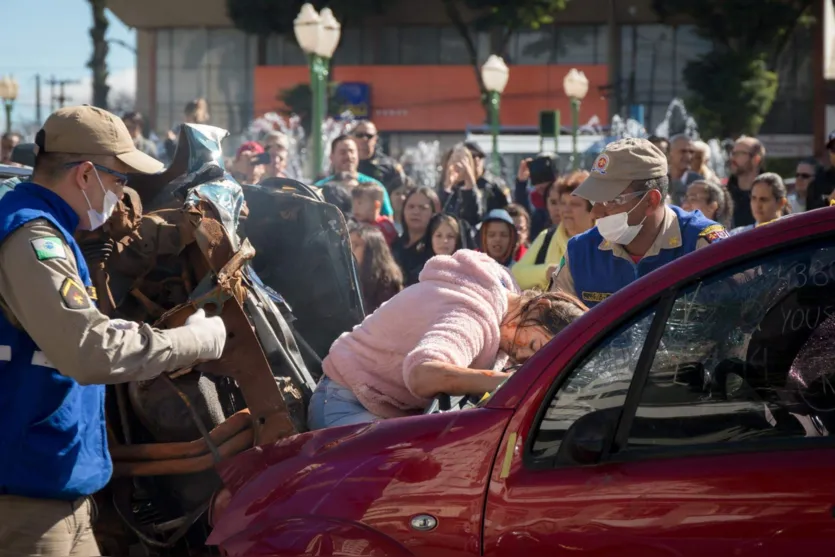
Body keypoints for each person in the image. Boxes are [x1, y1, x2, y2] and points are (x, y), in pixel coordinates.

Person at [0, 106, 227, 556]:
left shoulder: (48, 230)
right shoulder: (32, 238)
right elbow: (90, 350)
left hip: (57, 491)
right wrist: (195, 341)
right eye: (120, 180)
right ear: (86, 174)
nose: (122, 194)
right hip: (27, 500)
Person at [307, 249, 588, 429]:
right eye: (534, 345)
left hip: (372, 405)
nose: (522, 355)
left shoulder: (499, 290)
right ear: (540, 307)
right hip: (345, 403)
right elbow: (423, 374)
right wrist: (507, 381)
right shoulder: (473, 316)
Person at [550, 138, 728, 308]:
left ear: (650, 200)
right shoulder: (580, 252)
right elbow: (553, 327)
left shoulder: (701, 245)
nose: (596, 213)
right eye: (594, 200)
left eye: (609, 201)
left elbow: (741, 321)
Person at [513, 171, 594, 290]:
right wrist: (547, 271)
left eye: (575, 204)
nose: (566, 210)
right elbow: (516, 275)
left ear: (593, 210)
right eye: (563, 203)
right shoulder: (547, 237)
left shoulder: (605, 242)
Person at [314, 135, 394, 217]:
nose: (348, 156)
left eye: (352, 151)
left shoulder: (375, 186)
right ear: (332, 157)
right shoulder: (319, 188)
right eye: (343, 152)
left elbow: (388, 219)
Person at [349, 223, 403, 314]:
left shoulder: (386, 282)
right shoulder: (345, 278)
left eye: (355, 245)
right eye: (347, 245)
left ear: (371, 250)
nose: (349, 250)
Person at [391, 187, 441, 286]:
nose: (416, 212)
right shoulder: (395, 245)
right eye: (411, 207)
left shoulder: (437, 250)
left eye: (423, 208)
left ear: (434, 213)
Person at [352, 120, 405, 194]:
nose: (364, 139)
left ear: (376, 139)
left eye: (369, 136)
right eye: (359, 135)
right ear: (352, 138)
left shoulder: (389, 166)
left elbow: (400, 193)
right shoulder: (346, 163)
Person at [438, 144, 483, 227]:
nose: (458, 164)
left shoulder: (480, 190)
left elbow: (474, 216)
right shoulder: (440, 188)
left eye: (464, 160)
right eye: (454, 159)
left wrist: (469, 185)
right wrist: (447, 187)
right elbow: (438, 214)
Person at [726, 136, 765, 227]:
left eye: (739, 154)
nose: (733, 158)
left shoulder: (770, 193)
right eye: (733, 153)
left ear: (756, 159)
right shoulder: (725, 194)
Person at [464, 141, 511, 214]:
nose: (477, 160)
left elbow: (508, 209)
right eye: (472, 156)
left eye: (480, 156)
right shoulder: (458, 184)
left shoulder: (496, 184)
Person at [667, 135, 704, 205]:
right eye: (683, 151)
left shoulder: (699, 182)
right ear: (670, 153)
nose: (688, 156)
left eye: (691, 152)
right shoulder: (659, 178)